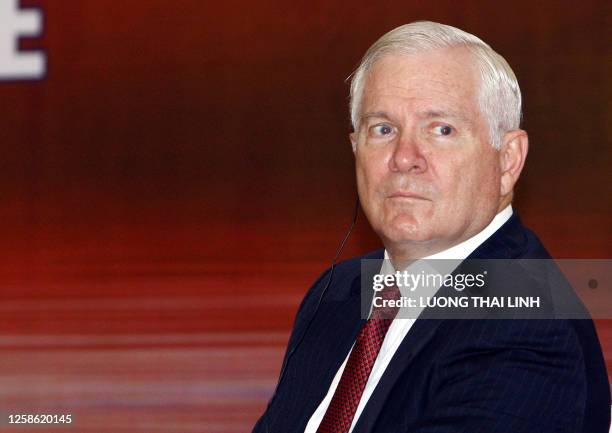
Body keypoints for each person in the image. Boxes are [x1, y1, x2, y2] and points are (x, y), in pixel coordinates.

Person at [252, 21, 610, 433]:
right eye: (383, 129)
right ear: (356, 149)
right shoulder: (340, 291)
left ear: (508, 160)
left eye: (442, 130)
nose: (404, 158)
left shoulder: (525, 327)